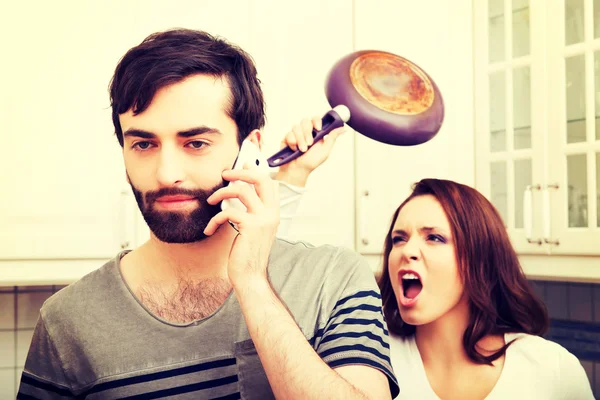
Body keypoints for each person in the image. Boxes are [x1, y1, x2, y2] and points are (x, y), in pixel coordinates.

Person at [18, 28, 399, 399]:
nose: (167, 173)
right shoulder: (66, 322)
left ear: (250, 149)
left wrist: (251, 281)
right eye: (143, 144)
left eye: (196, 143)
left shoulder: (333, 281)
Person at [377, 178, 594, 399]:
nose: (407, 250)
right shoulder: (371, 364)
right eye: (399, 239)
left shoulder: (551, 370)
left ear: (479, 257)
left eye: (434, 237)